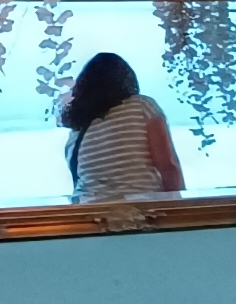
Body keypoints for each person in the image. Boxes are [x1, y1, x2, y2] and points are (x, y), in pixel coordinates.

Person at [60, 54, 184, 202]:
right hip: (142, 208)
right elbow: (168, 166)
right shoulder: (143, 107)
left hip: (92, 210)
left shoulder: (78, 129)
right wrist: (182, 209)